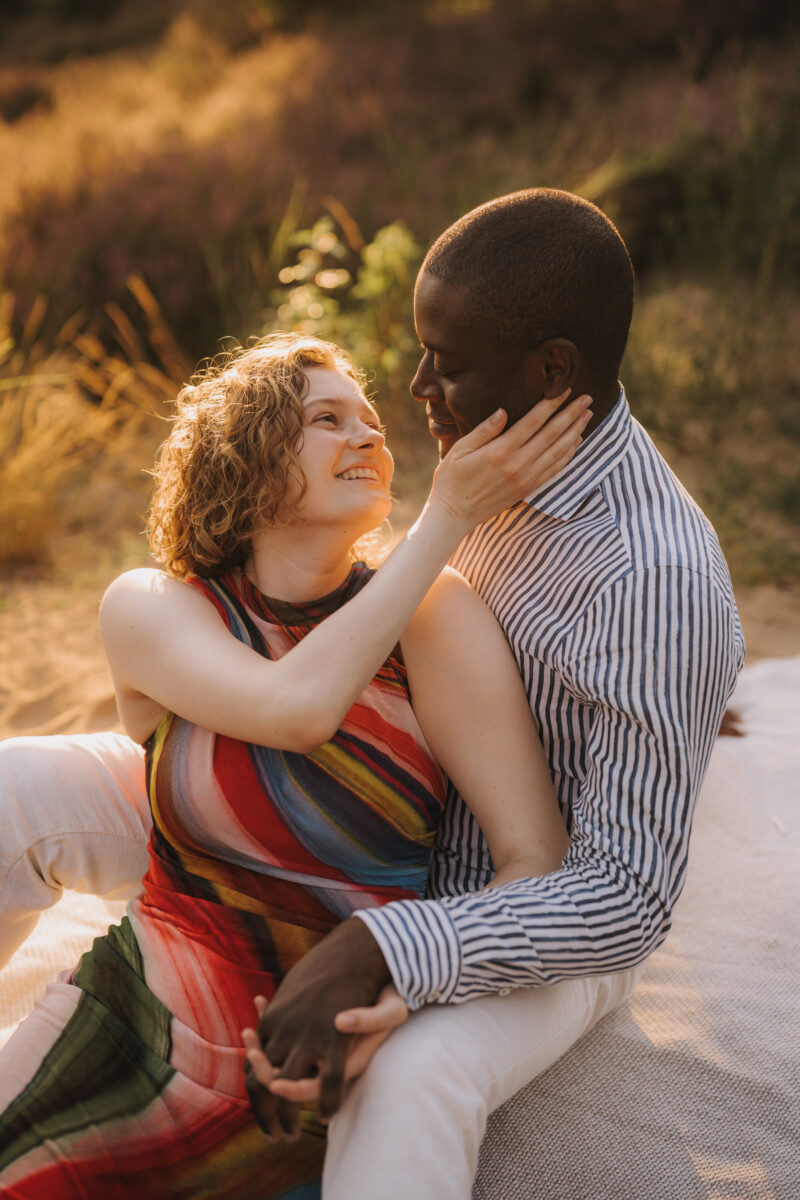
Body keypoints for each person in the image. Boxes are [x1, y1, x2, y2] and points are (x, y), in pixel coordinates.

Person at [0, 188, 744, 1198]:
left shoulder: (647, 575)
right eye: (416, 351)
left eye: (446, 359)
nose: (415, 387)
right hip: (337, 765)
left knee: (412, 1075)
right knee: (17, 791)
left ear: (550, 368)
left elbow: (617, 895)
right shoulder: (485, 461)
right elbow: (328, 638)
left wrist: (397, 946)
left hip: (529, 896)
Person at [0, 332, 588, 1197]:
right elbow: (296, 710)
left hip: (306, 1055)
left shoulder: (431, 614)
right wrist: (447, 515)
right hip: (129, 1018)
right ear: (248, 457)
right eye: (326, 419)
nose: (370, 437)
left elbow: (533, 858)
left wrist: (411, 992)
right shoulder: (159, 607)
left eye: (373, 421)